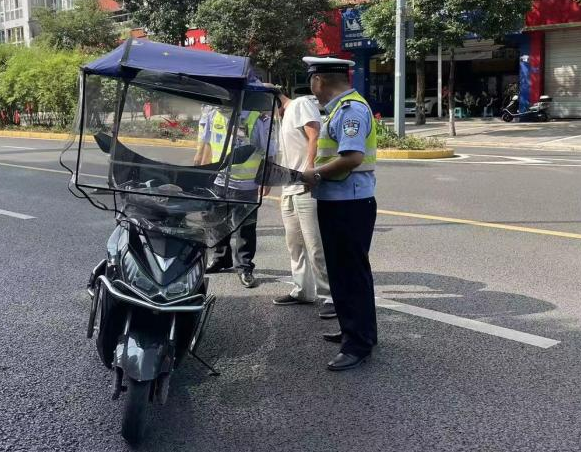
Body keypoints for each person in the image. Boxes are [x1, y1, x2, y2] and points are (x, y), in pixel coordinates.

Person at [301, 56, 377, 372]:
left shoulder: (350, 111)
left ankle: (358, 344)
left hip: (349, 203)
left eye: (311, 81)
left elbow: (353, 157)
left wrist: (315, 174)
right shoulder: (339, 109)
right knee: (341, 273)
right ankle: (352, 330)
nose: (312, 87)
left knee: (351, 275)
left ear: (319, 80)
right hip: (338, 201)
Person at [265, 84, 336, 319]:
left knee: (315, 245)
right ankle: (303, 290)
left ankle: (330, 296)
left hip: (306, 186)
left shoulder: (299, 105)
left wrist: (310, 169)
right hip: (289, 187)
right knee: (294, 243)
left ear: (274, 97)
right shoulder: (280, 118)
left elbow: (314, 134)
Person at [204, 106, 271, 288]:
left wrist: (267, 179)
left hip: (246, 184)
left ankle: (244, 267)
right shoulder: (214, 114)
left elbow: (269, 151)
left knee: (245, 228)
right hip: (218, 180)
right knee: (217, 223)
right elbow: (208, 145)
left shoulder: (257, 118)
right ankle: (220, 259)